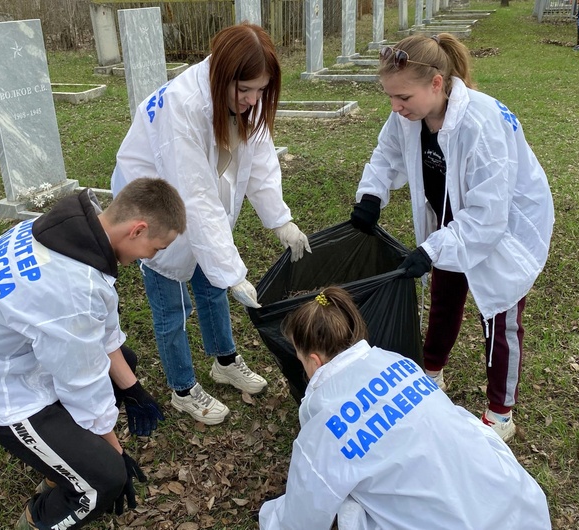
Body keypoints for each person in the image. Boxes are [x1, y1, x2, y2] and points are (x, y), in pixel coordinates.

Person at [0, 179, 187, 529]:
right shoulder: (72, 287)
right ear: (137, 229)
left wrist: (132, 388)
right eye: (156, 248)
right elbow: (82, 382)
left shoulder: (71, 232)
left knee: (124, 362)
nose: (152, 256)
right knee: (102, 482)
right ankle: (37, 519)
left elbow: (101, 330)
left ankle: (61, 468)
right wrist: (115, 453)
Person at [349, 33, 554, 442]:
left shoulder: (481, 123)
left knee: (500, 318)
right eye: (390, 97)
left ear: (437, 84)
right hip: (452, 221)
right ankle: (431, 373)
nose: (395, 107)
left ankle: (500, 413)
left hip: (504, 229)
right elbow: (387, 155)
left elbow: (487, 216)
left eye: (402, 97)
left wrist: (430, 248)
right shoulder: (410, 115)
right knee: (444, 297)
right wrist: (371, 195)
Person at [111, 23, 311, 425]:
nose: (253, 100)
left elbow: (260, 164)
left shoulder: (245, 104)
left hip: (199, 207)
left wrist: (281, 221)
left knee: (213, 287)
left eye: (261, 90)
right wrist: (231, 269)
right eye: (245, 90)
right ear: (222, 75)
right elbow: (193, 194)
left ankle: (224, 360)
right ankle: (183, 387)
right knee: (171, 308)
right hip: (153, 210)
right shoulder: (182, 105)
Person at [258, 287, 552, 530]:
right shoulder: (399, 363)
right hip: (517, 506)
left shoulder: (322, 428)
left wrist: (269, 516)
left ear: (314, 361)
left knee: (349, 503)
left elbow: (299, 518)